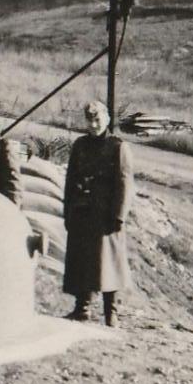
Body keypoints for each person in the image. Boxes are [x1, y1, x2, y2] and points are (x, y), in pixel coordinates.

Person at [62, 101, 134, 326]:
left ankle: (110, 312)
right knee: (82, 259)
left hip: (105, 215)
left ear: (107, 119)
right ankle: (82, 308)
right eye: (89, 120)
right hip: (82, 210)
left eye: (98, 120)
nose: (93, 125)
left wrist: (119, 215)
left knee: (108, 262)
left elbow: (125, 183)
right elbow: (70, 179)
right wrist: (68, 210)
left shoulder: (118, 147)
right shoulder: (80, 145)